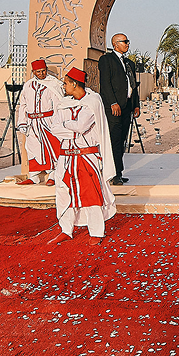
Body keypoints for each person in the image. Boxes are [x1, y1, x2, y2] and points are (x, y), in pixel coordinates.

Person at [49, 68, 117, 243]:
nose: (63, 86)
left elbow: (82, 126)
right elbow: (54, 128)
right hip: (66, 157)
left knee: (91, 194)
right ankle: (66, 229)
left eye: (65, 83)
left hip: (87, 156)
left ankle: (96, 232)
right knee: (63, 192)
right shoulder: (63, 103)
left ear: (74, 83)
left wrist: (66, 125)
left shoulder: (93, 101)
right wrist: (71, 128)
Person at [98, 34, 139, 186]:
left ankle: (118, 171)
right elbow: (105, 84)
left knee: (121, 140)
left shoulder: (129, 63)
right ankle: (114, 174)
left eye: (128, 41)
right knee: (114, 140)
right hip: (114, 107)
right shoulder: (106, 60)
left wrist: (136, 105)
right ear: (115, 44)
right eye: (125, 41)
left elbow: (133, 85)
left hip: (126, 106)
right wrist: (112, 102)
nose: (128, 44)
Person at [16, 59, 63, 186]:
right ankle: (34, 177)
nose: (41, 73)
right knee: (32, 149)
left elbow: (58, 105)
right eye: (38, 72)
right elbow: (23, 105)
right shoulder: (28, 85)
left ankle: (52, 175)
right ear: (33, 72)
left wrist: (56, 122)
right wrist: (22, 122)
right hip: (32, 123)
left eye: (43, 71)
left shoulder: (54, 84)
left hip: (48, 121)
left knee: (51, 148)